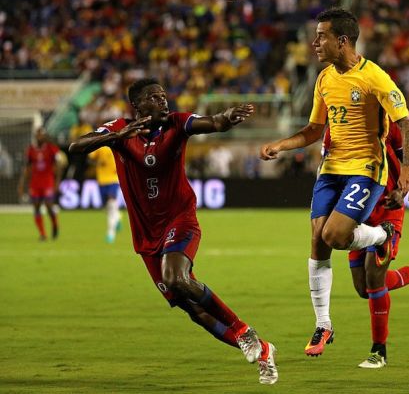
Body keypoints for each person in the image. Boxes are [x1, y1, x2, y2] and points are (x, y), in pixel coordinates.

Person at [69, 78, 278, 385]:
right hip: (145, 235)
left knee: (176, 277)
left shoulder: (177, 124)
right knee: (191, 308)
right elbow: (75, 147)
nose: (163, 101)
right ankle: (262, 352)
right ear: (138, 106)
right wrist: (116, 136)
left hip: (179, 219)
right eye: (155, 97)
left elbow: (213, 123)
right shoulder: (117, 128)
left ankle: (245, 332)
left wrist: (226, 118)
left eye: (164, 95)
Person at [259, 8, 409, 358]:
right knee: (318, 240)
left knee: (335, 235)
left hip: (366, 168)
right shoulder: (324, 79)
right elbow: (315, 130)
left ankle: (381, 236)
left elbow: (406, 123)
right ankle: (324, 324)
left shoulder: (374, 77)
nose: (314, 43)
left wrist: (408, 166)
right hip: (330, 168)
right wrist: (281, 146)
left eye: (321, 36)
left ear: (342, 41)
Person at [322, 122, 409, 368]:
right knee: (363, 288)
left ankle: (379, 350)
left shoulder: (390, 123)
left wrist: (401, 189)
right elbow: (327, 170)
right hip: (355, 211)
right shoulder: (336, 126)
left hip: (387, 209)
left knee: (375, 277)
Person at [17, 127, 65, 241]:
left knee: (49, 206)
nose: (39, 137)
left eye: (41, 135)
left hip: (48, 181)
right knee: (36, 207)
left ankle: (54, 224)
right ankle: (42, 234)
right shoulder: (30, 150)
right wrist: (21, 184)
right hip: (35, 183)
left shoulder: (51, 148)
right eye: (37, 135)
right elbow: (27, 168)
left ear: (44, 136)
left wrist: (57, 182)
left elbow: (59, 165)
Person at [88, 145, 122, 244]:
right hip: (102, 180)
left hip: (114, 179)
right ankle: (118, 217)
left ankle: (110, 233)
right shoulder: (100, 146)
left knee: (111, 203)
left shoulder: (117, 145)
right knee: (107, 208)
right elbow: (90, 159)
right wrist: (97, 162)